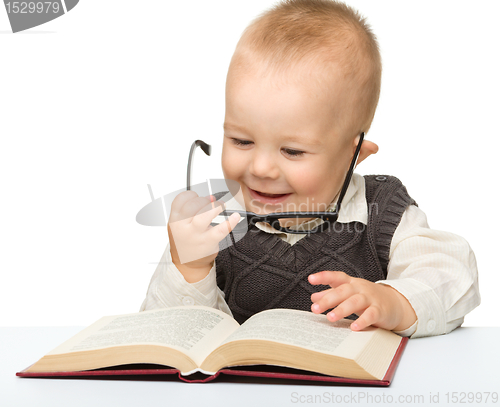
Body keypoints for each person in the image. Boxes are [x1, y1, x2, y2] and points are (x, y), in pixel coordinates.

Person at [140, 0, 479, 338]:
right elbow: (162, 334)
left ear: (354, 156)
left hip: (359, 392)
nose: (260, 168)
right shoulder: (211, 222)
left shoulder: (381, 211)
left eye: (292, 151)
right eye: (242, 141)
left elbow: (450, 271)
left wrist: (392, 301)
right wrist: (188, 268)